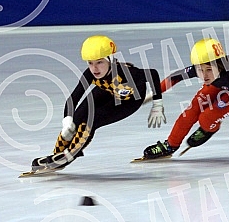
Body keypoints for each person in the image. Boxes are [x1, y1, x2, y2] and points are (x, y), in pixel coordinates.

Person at [31, 35, 165, 170]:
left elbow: (152, 74)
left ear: (110, 60)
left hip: (129, 101)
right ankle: (57, 155)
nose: (94, 69)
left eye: (99, 62)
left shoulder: (127, 73)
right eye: (90, 63)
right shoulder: (90, 74)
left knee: (91, 121)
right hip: (107, 91)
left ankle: (68, 156)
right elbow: (73, 99)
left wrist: (157, 105)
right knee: (76, 120)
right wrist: (67, 120)